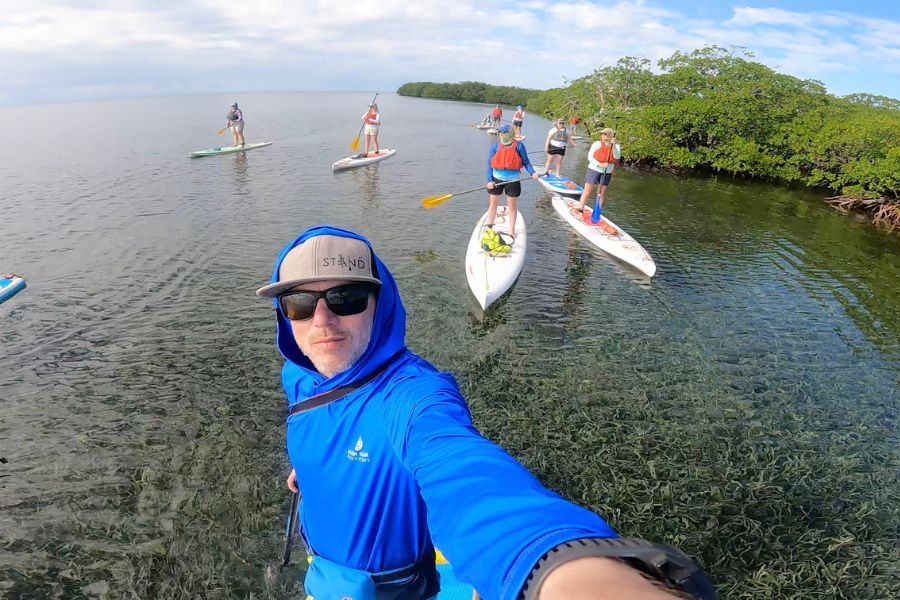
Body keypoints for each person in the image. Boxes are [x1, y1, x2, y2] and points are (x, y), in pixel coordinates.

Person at [256, 226, 716, 600]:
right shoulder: (300, 375)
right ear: (284, 315)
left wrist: (553, 563)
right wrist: (312, 467)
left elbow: (474, 481)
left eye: (346, 299)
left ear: (380, 305)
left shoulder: (414, 397)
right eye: (299, 303)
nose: (321, 320)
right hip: (323, 561)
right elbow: (325, 422)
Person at [484, 124, 539, 244]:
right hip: (496, 179)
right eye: (501, 133)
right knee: (493, 203)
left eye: (504, 133)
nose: (502, 135)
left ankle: (511, 230)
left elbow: (526, 162)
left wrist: (532, 173)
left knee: (512, 206)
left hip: (513, 180)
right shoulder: (495, 147)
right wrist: (489, 180)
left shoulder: (519, 146)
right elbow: (489, 164)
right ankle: (489, 227)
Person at [574, 128, 621, 221]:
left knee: (600, 194)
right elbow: (590, 157)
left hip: (607, 172)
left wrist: (614, 145)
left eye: (606, 134)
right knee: (587, 191)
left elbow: (617, 156)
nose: (603, 135)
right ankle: (580, 210)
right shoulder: (596, 143)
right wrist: (600, 164)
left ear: (611, 135)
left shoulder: (616, 146)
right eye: (602, 134)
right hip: (593, 169)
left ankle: (597, 213)